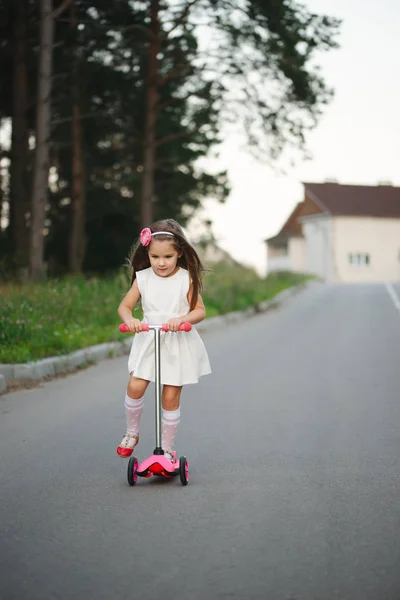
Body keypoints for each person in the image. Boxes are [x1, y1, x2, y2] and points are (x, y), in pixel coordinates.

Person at [117, 218, 211, 459]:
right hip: (149, 338)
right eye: (155, 257)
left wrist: (182, 319)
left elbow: (199, 310)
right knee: (136, 385)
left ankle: (167, 449)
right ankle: (132, 432)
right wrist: (131, 320)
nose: (161, 263)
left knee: (169, 396)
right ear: (147, 253)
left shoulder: (185, 278)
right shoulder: (143, 278)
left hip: (176, 340)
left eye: (167, 257)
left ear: (179, 253)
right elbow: (125, 307)